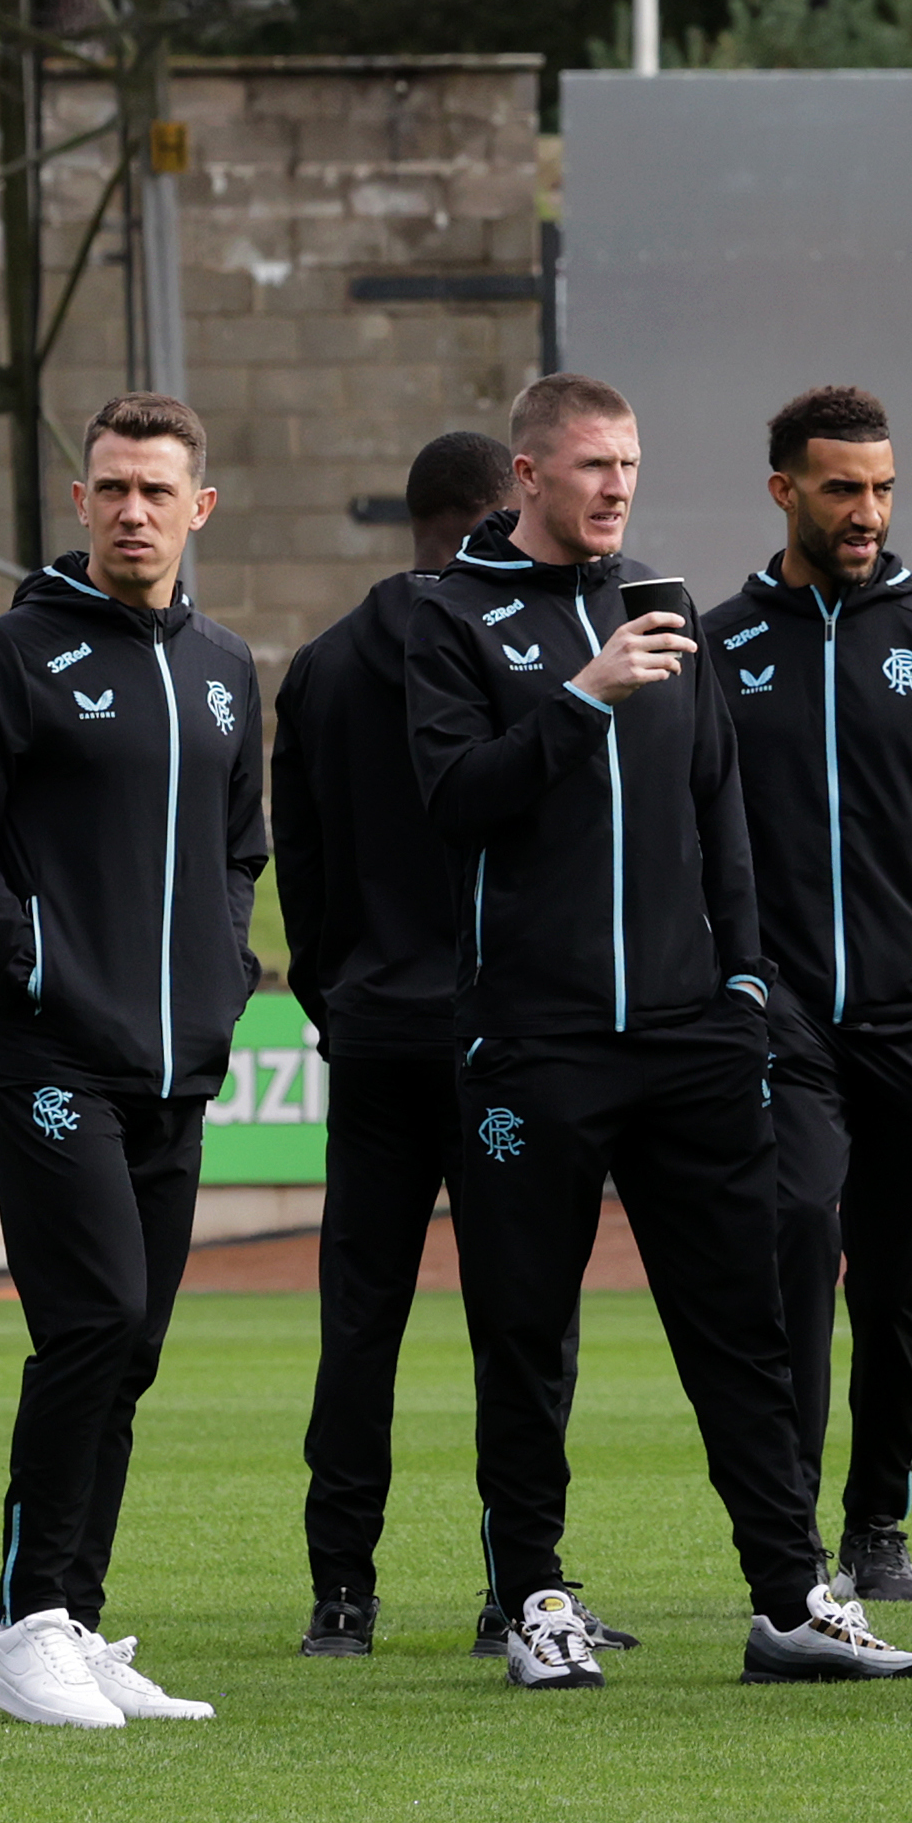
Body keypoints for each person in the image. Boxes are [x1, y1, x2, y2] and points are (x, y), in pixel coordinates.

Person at [402, 372, 912, 1692]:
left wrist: (745, 981)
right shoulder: (447, 618)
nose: (615, 485)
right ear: (527, 472)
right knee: (525, 1332)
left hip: (696, 1038)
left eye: (629, 462)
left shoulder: (667, 603)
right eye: (589, 463)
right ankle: (533, 1597)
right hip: (535, 1039)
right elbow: (455, 801)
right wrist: (582, 694)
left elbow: (720, 815)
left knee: (745, 1327)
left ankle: (790, 1601)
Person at [0, 393, 269, 1731]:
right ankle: (16, 1624)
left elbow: (243, 848)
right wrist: (46, 970)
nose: (132, 509)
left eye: (155, 490)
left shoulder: (230, 664)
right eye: (110, 486)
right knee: (91, 1319)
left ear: (199, 508)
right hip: (48, 1053)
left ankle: (70, 1613)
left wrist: (222, 977)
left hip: (176, 1065)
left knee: (134, 1348)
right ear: (80, 501)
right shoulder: (9, 656)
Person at [701, 385, 912, 1607]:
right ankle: (785, 1535)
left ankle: (876, 1521)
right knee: (794, 1241)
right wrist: (734, 989)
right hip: (779, 1025)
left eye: (882, 487)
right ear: (784, 489)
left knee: (899, 1288)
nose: (867, 511)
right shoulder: (719, 645)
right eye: (843, 486)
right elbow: (692, 839)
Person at [267, 427, 514, 1658]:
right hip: (497, 1034)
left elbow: (297, 869)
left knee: (360, 1321)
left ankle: (343, 1594)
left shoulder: (320, 665)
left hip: (370, 1031)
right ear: (491, 510)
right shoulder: (510, 646)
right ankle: (518, 1585)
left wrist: (335, 994)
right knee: (516, 1321)